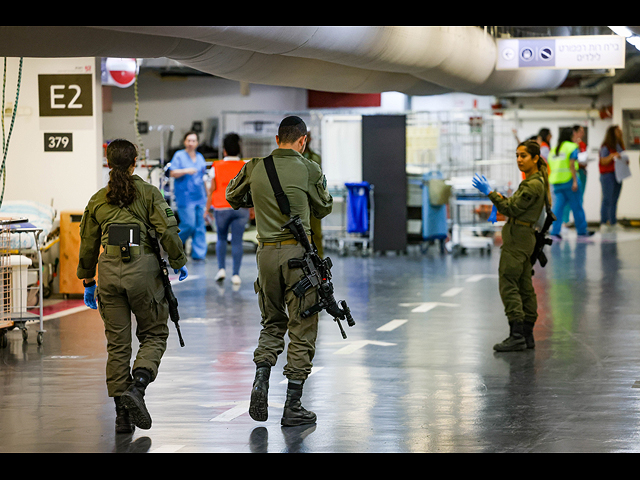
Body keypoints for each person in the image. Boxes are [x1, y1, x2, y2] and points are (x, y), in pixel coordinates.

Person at [226, 116, 333, 427]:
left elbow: (232, 197)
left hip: (266, 255)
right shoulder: (309, 168)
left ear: (277, 139)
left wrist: (259, 198)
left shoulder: (254, 166)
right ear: (303, 140)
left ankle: (261, 380)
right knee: (302, 327)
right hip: (299, 257)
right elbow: (324, 207)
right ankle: (293, 405)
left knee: (272, 322)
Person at [77, 139, 188, 434]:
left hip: (109, 274)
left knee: (117, 346)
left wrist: (88, 281)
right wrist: (178, 261)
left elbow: (87, 244)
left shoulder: (98, 199)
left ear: (108, 163)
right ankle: (137, 389)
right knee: (153, 333)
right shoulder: (150, 194)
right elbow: (168, 231)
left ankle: (121, 418)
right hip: (144, 273)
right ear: (135, 162)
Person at [472, 140, 550, 351]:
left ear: (535, 158)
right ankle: (526, 336)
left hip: (518, 240)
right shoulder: (535, 181)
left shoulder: (532, 184)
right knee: (524, 286)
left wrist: (491, 193)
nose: (519, 160)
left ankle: (517, 335)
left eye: (523, 156)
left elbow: (511, 209)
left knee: (509, 284)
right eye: (517, 155)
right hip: (522, 238)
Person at [206, 133, 250, 284]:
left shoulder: (216, 166)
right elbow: (250, 189)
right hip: (241, 208)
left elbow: (211, 189)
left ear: (224, 150)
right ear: (239, 150)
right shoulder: (245, 166)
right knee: (237, 241)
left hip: (221, 207)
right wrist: (253, 209)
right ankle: (236, 275)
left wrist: (207, 208)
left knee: (221, 238)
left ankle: (221, 270)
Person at [167, 131, 209, 260]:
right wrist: (186, 171)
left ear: (197, 143)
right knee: (189, 225)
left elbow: (204, 178)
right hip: (185, 197)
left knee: (200, 227)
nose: (191, 143)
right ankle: (172, 247)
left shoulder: (200, 157)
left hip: (199, 197)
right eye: (188, 140)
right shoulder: (179, 156)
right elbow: (172, 172)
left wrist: (208, 197)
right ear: (185, 142)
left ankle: (199, 255)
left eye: (193, 141)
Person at [547, 128, 593, 239]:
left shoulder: (554, 149)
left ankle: (554, 232)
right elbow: (572, 164)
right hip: (569, 181)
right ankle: (582, 231)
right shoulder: (571, 147)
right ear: (571, 135)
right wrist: (575, 181)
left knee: (557, 208)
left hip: (556, 182)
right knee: (577, 206)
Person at [599, 125, 626, 231]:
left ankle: (613, 222)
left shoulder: (619, 145)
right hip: (607, 176)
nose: (620, 133)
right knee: (607, 199)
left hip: (618, 175)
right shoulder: (606, 146)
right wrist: (612, 156)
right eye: (618, 131)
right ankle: (603, 222)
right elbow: (603, 161)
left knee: (614, 199)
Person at [302, 130, 325, 258]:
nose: (307, 140)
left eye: (309, 137)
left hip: (313, 201)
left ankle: (319, 261)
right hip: (298, 203)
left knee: (316, 234)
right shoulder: (291, 159)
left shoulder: (315, 158)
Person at [562, 125, 588, 224]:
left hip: (581, 171)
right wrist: (574, 180)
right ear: (575, 132)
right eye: (581, 131)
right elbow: (571, 162)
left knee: (579, 198)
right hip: (572, 173)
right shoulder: (571, 146)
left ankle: (579, 222)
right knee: (568, 199)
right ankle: (565, 220)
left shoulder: (582, 144)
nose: (583, 133)